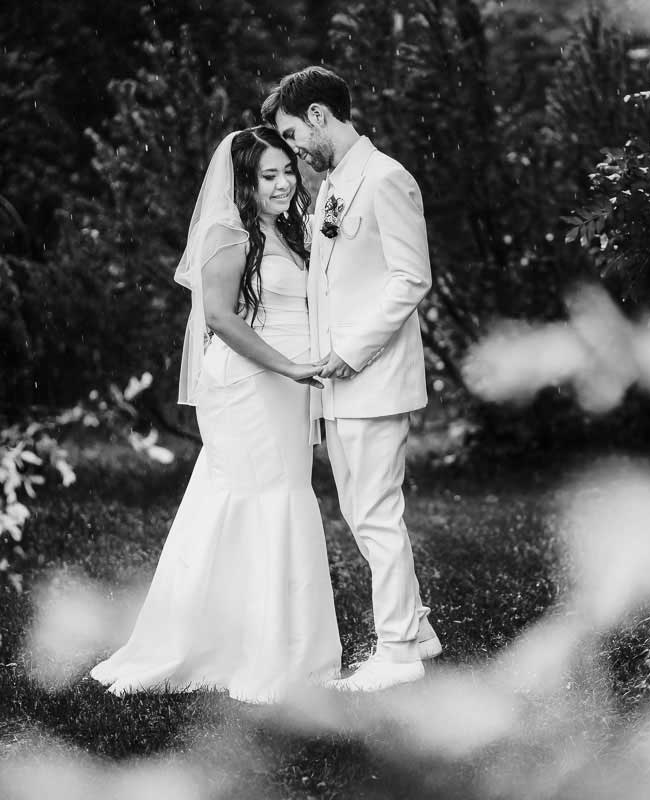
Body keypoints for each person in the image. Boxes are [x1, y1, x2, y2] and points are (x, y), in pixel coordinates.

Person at [89, 127, 342, 703]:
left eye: (286, 171)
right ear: (243, 183)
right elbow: (222, 320)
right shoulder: (226, 234)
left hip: (283, 384)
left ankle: (263, 641)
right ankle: (263, 650)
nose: (282, 184)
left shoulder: (284, 233)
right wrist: (291, 367)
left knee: (263, 499)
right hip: (252, 385)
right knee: (266, 499)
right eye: (267, 175)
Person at [263, 66, 442, 692]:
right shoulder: (335, 184)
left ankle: (397, 653)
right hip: (339, 383)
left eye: (291, 132)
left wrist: (352, 349)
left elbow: (410, 278)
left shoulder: (387, 178)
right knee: (363, 510)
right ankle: (416, 628)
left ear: (318, 116)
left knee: (374, 515)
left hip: (374, 376)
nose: (291, 149)